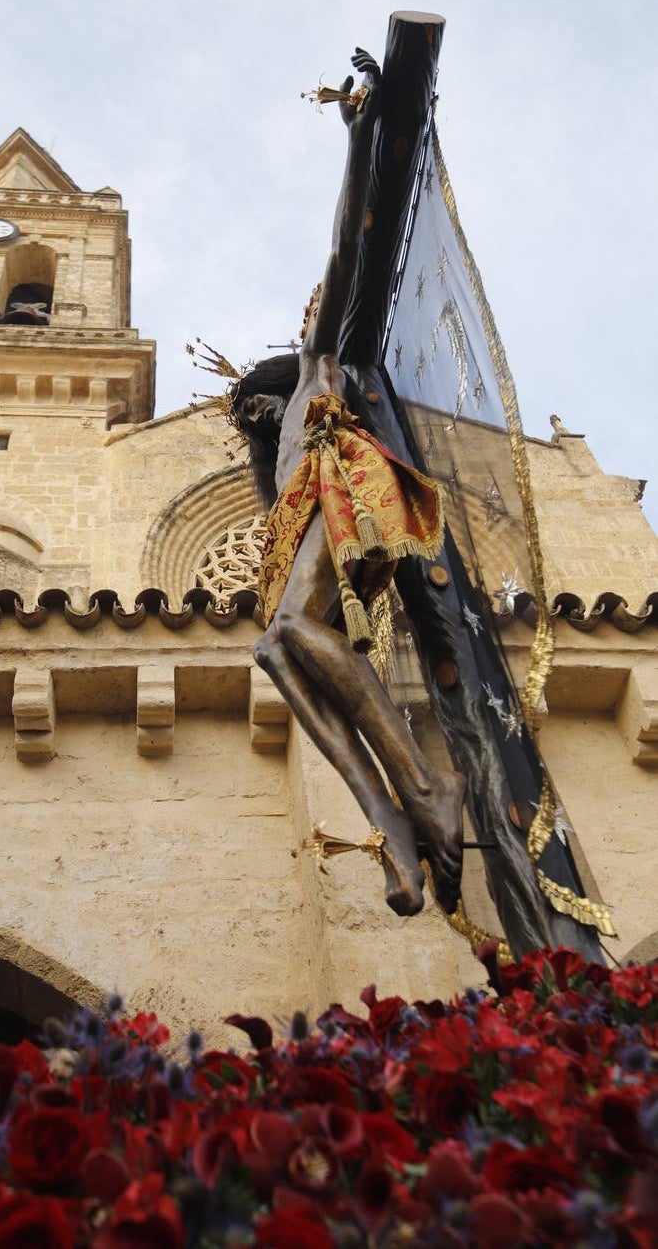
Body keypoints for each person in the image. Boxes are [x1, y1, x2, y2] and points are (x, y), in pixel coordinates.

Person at [231, 50, 465, 916]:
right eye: (241, 414)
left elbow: (344, 246)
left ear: (276, 379)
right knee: (274, 643)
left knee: (292, 622)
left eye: (252, 397)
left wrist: (361, 136)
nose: (248, 412)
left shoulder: (316, 368)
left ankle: (424, 783)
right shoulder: (277, 467)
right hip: (321, 512)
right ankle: (390, 819)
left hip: (358, 491)